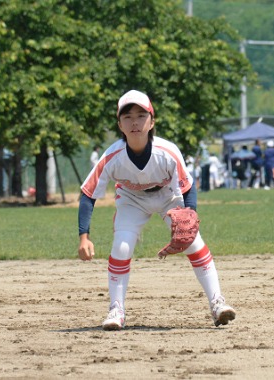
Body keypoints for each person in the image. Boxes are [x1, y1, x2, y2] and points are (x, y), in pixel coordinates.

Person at [77, 90, 236, 331]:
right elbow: (88, 194)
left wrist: (189, 216)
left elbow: (188, 186)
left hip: (167, 196)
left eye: (141, 115)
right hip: (131, 200)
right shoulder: (112, 156)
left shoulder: (168, 152)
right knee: (121, 246)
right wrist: (83, 236)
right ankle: (116, 309)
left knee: (194, 243)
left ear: (152, 121)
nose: (135, 122)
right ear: (119, 124)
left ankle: (217, 303)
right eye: (127, 117)